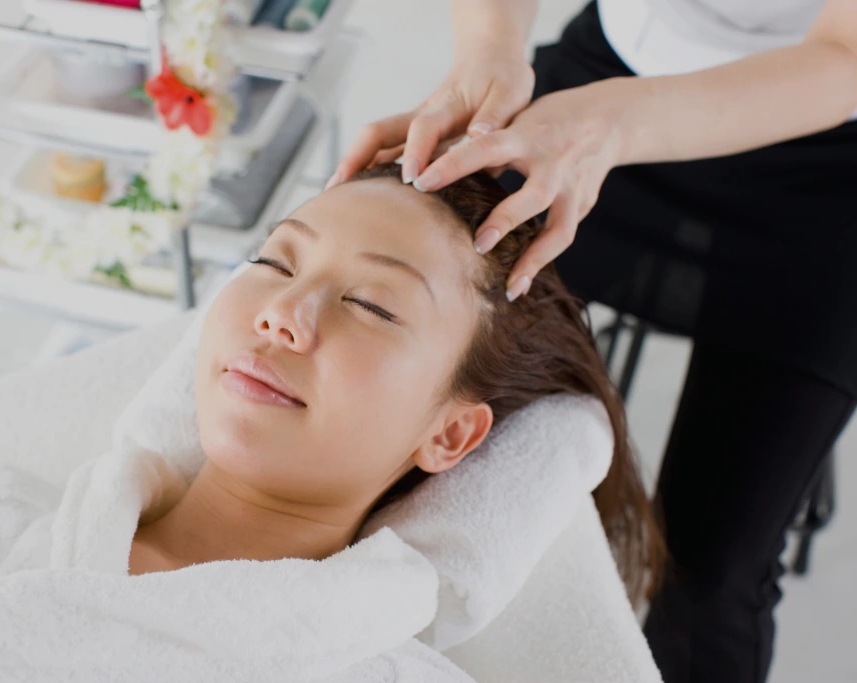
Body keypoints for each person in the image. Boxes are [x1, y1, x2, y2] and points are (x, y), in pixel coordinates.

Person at [328, 1, 857, 682]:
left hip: (825, 161)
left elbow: (845, 57)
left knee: (709, 575)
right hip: (602, 83)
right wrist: (488, 50)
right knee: (399, 431)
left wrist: (610, 124)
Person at [132, 164, 662, 607]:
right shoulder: (84, 527)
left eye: (370, 305)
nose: (282, 313)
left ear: (449, 434)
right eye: (276, 263)